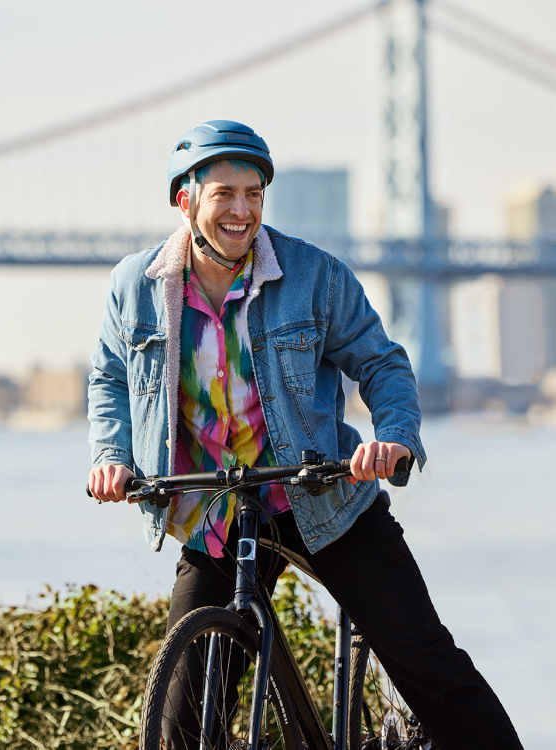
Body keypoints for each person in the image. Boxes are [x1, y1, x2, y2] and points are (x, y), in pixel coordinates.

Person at [87, 120, 522, 749]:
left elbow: (381, 362)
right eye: (224, 195)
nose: (242, 211)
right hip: (217, 506)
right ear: (184, 200)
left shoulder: (313, 275)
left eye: (255, 195)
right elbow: (109, 378)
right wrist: (111, 456)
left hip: (323, 500)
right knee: (180, 717)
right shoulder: (137, 286)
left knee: (429, 664)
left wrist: (394, 436)